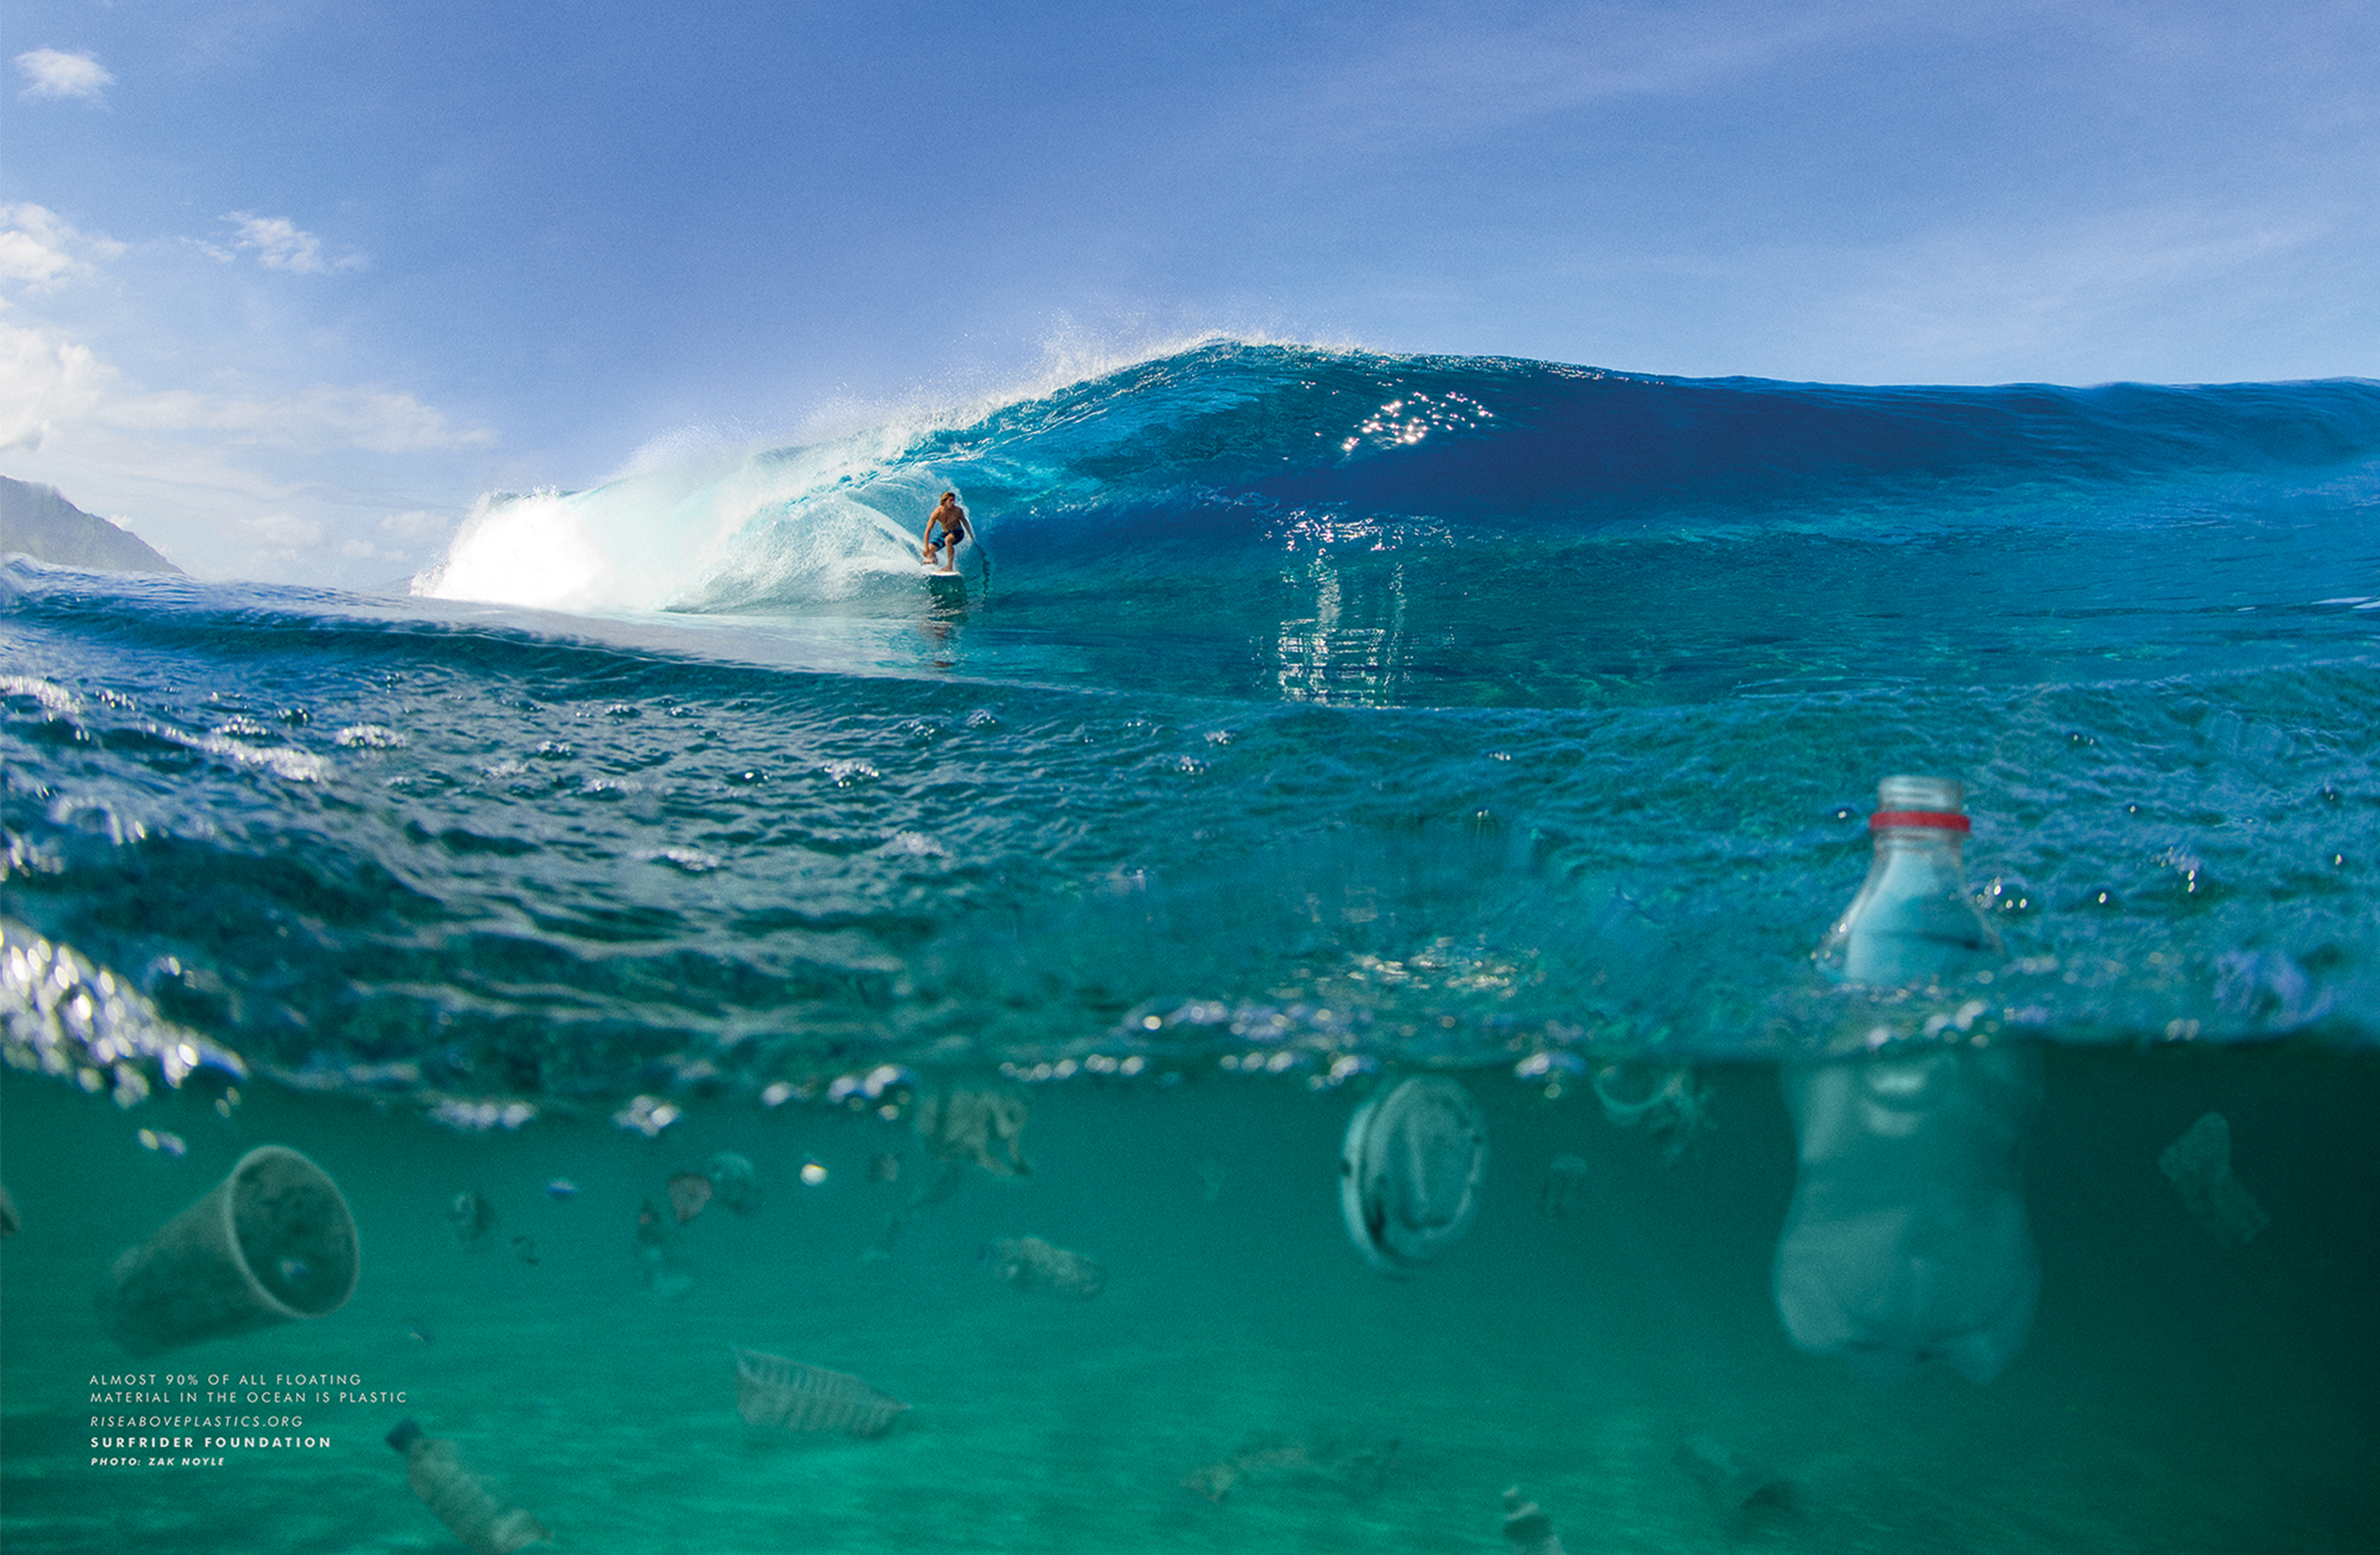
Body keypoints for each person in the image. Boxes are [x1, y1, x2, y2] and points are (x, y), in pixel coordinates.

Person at [920, 491, 969, 570]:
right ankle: (934, 560)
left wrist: (970, 536)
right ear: (944, 501)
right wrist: (926, 548)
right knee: (926, 552)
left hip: (958, 532)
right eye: (950, 500)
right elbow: (928, 530)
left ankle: (950, 566)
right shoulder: (937, 513)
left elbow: (965, 523)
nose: (953, 502)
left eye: (954, 500)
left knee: (948, 540)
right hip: (946, 533)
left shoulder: (957, 511)